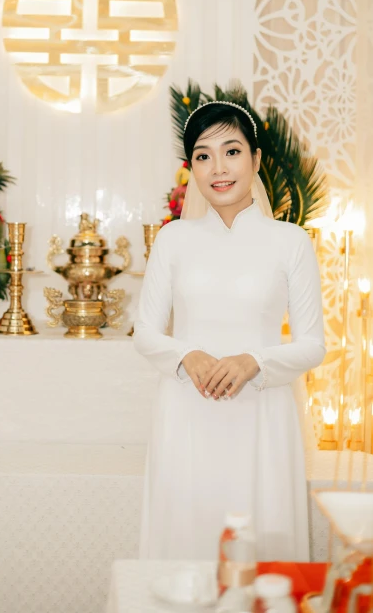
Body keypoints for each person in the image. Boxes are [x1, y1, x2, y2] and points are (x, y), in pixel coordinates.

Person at [133, 100, 326, 562]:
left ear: (256, 160)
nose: (218, 168)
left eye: (232, 151)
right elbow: (145, 333)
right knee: (184, 548)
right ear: (191, 170)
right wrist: (187, 357)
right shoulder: (173, 239)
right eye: (203, 156)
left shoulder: (291, 241)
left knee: (259, 554)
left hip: (262, 411)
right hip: (186, 410)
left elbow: (312, 344)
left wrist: (254, 361)